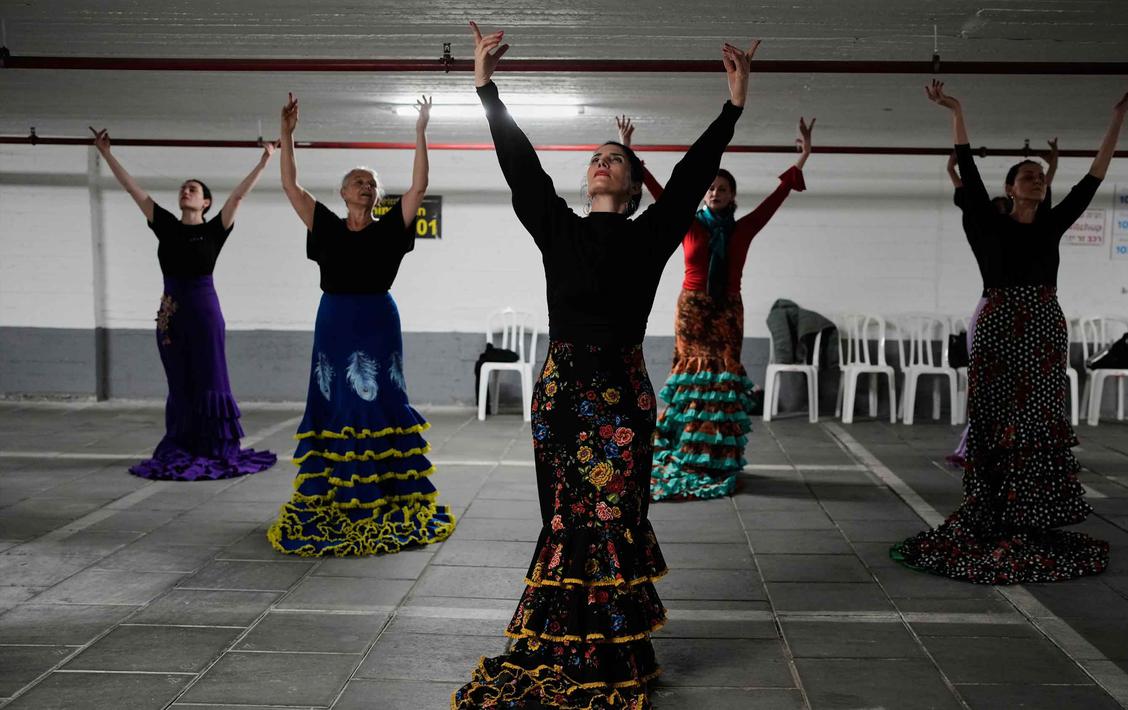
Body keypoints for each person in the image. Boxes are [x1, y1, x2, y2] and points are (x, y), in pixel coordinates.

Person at [453, 22, 756, 709]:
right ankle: (560, 637)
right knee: (564, 516)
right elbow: (520, 166)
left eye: (614, 158)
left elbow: (686, 179)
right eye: (595, 155)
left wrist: (731, 109)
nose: (602, 162)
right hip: (561, 389)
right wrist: (485, 89)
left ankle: (612, 643)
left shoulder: (652, 234)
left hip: (620, 392)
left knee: (613, 516)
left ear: (630, 182)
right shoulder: (555, 225)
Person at [892, 79, 1128, 584]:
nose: (1035, 182)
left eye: (1039, 177)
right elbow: (967, 164)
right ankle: (995, 508)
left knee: (1038, 416)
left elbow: (1095, 176)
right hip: (1001, 326)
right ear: (1009, 188)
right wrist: (956, 110)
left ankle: (1033, 511)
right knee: (996, 414)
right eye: (1026, 176)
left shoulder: (1051, 224)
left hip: (1046, 327)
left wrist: (1118, 118)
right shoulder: (987, 222)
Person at [266, 93, 455, 556]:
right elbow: (292, 187)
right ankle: (335, 490)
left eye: (371, 183)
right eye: (357, 182)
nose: (366, 187)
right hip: (333, 320)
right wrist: (287, 136)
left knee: (379, 397)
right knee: (334, 396)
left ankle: (385, 489)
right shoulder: (326, 226)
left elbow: (418, 186)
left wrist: (420, 131)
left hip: (376, 319)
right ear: (343, 192)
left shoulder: (390, 227)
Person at [617, 115, 812, 501]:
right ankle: (688, 449)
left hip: (727, 310)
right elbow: (660, 191)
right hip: (692, 310)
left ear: (732, 195)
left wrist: (803, 158)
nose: (715, 192)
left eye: (722, 189)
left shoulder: (743, 229)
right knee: (693, 379)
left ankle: (715, 455)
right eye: (710, 188)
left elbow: (776, 198)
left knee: (722, 378)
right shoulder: (690, 224)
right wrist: (630, 150)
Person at [91, 127, 277, 481]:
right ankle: (183, 439)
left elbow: (237, 198)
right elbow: (133, 190)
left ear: (206, 202)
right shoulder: (166, 226)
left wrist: (264, 160)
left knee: (210, 378)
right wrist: (106, 154)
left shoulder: (214, 230)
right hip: (171, 315)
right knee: (180, 383)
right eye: (184, 188)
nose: (186, 191)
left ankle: (215, 445)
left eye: (194, 189)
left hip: (205, 312)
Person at [946, 139, 1059, 467]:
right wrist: (952, 168)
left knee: (1026, 385)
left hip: (1029, 309)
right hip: (996, 307)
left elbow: (1045, 195)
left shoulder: (1036, 221)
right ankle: (975, 446)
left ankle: (1019, 446)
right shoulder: (986, 222)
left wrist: (1052, 166)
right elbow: (967, 191)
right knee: (991, 388)